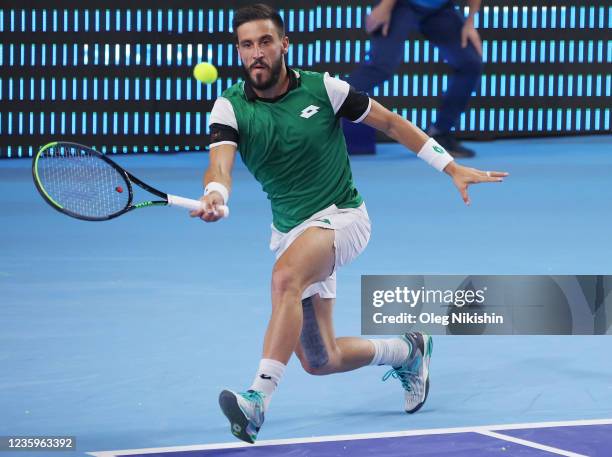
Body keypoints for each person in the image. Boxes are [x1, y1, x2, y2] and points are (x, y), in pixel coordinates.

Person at [191, 3, 506, 444]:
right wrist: (216, 195)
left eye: (265, 42)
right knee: (322, 359)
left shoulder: (325, 90)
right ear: (240, 52)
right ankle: (408, 350)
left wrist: (450, 166)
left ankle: (256, 400)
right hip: (291, 231)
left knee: (285, 279)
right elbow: (219, 167)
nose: (256, 53)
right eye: (247, 45)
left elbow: (392, 124)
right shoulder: (230, 106)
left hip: (343, 217)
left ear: (284, 44)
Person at [346, 0, 484, 157]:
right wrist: (385, 6)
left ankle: (440, 133)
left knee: (470, 64)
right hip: (400, 4)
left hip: (439, 8)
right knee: (381, 66)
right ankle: (323, 111)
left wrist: (470, 21)